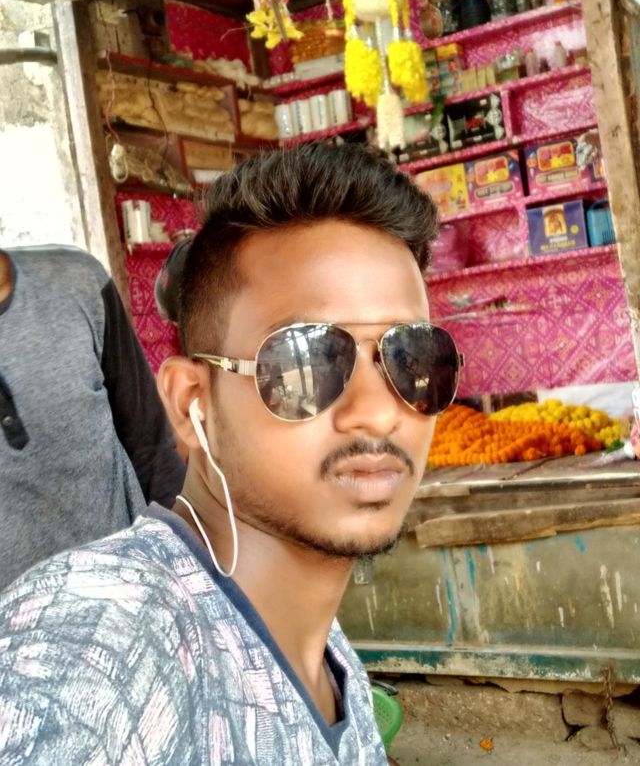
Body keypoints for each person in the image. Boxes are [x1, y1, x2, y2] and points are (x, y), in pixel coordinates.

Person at [0, 144, 462, 764]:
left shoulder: (321, 650)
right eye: (304, 361)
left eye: (411, 357)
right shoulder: (102, 650)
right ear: (194, 401)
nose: (378, 411)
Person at [0, 245, 185, 588]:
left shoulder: (80, 282)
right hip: (14, 618)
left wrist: (189, 564)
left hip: (134, 586)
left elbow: (151, 445)